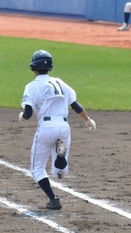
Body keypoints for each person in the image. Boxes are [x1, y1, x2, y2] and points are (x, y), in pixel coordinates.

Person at [18, 50, 96, 210]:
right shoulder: (60, 83)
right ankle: (60, 157)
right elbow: (75, 105)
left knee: (36, 168)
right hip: (64, 127)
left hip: (46, 128)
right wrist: (87, 120)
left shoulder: (31, 86)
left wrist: (21, 115)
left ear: (33, 66)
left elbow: (28, 114)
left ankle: (54, 199)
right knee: (59, 174)